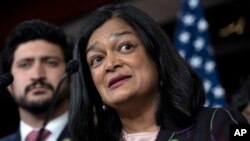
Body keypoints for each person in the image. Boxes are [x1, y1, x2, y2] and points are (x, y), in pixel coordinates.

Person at [69, 3, 248, 141]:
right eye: (97, 59)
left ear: (157, 58)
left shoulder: (221, 122)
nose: (111, 64)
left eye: (125, 47)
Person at [0, 19, 72, 141]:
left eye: (51, 63)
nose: (37, 75)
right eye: (25, 65)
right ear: (8, 82)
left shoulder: (101, 135)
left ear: (71, 74)